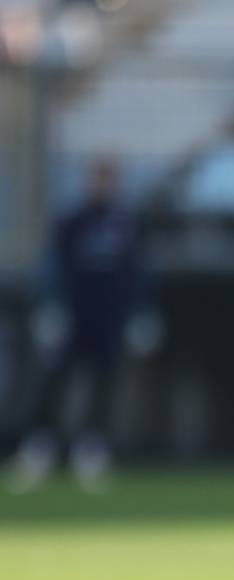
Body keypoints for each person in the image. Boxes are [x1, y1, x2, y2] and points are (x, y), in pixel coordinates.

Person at [7, 158, 146, 494]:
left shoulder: (126, 224)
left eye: (108, 179)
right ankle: (39, 449)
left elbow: (139, 273)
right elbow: (52, 267)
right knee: (55, 383)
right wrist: (51, 308)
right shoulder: (72, 222)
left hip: (108, 320)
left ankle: (91, 452)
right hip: (72, 319)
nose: (103, 185)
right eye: (98, 178)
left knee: (103, 386)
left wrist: (142, 312)